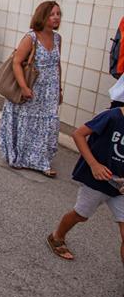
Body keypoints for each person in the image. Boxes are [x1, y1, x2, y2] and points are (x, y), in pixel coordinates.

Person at [46, 107, 124, 264]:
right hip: (96, 181)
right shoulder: (112, 116)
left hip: (121, 189)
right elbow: (78, 134)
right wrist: (94, 164)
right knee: (80, 215)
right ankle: (57, 236)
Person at [0, 1, 63, 177]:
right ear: (42, 16)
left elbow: (57, 64)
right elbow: (17, 62)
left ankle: (42, 161)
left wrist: (60, 88)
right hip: (31, 86)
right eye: (52, 14)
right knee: (26, 123)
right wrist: (24, 87)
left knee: (47, 125)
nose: (56, 17)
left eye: (58, 14)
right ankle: (20, 157)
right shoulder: (31, 37)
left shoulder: (57, 38)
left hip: (49, 90)